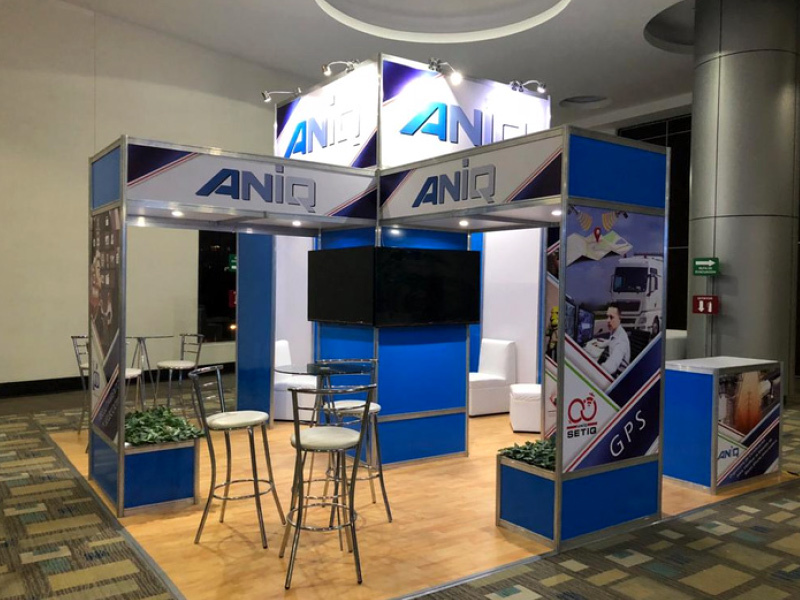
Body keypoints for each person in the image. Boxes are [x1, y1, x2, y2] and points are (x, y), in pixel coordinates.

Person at [598, 303, 630, 377]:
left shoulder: (621, 342)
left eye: (611, 317)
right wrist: (601, 344)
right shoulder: (616, 331)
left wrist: (596, 369)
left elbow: (610, 367)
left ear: (619, 318)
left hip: (617, 375)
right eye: (607, 317)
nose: (608, 320)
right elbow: (611, 340)